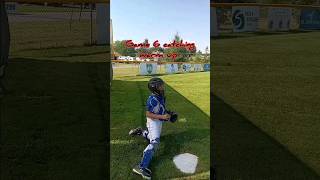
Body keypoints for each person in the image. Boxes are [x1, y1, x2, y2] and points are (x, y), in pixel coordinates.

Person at [129, 77, 171, 179]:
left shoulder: (160, 95)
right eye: (160, 85)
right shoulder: (152, 99)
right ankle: (141, 166)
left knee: (153, 137)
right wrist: (162, 117)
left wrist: (168, 114)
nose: (163, 86)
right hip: (153, 122)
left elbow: (161, 108)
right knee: (155, 142)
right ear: (155, 88)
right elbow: (148, 114)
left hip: (158, 121)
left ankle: (141, 132)